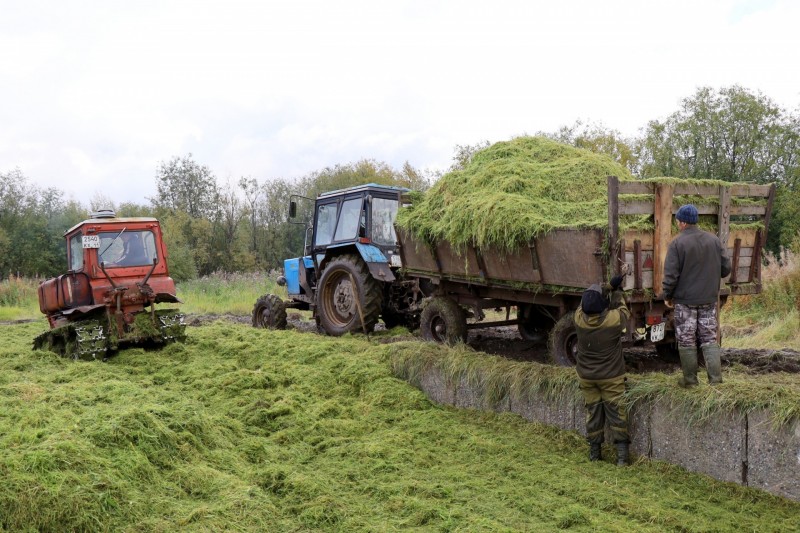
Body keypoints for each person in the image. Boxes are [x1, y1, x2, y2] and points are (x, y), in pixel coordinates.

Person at [662, 204, 731, 387]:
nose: (677, 223)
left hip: (685, 302)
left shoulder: (677, 243)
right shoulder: (714, 240)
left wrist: (667, 295)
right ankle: (715, 380)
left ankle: (690, 381)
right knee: (709, 338)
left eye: (677, 220)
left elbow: (671, 276)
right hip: (709, 299)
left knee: (686, 338)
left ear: (682, 222)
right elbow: (726, 269)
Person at [573, 274, 630, 465]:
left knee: (593, 413)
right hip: (611, 377)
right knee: (617, 414)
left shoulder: (579, 319)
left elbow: (585, 303)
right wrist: (616, 290)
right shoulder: (613, 321)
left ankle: (595, 454)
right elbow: (623, 309)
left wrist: (606, 288)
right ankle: (622, 457)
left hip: (587, 377)